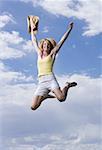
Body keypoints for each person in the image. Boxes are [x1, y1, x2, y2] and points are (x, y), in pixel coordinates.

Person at [29, 16, 77, 111]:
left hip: (50, 79)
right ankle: (45, 96)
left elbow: (62, 41)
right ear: (42, 46)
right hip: (41, 81)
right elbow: (34, 39)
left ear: (50, 46)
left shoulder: (52, 54)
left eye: (48, 44)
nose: (46, 45)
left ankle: (67, 85)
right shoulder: (39, 53)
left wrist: (69, 29)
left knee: (61, 98)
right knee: (33, 107)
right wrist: (31, 26)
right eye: (44, 44)